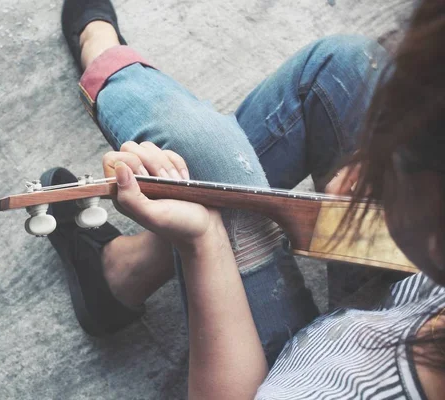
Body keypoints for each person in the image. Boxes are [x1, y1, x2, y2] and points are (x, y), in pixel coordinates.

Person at [42, 0, 445, 398]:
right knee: (341, 69)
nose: (363, 166)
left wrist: (204, 242)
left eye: (390, 162)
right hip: (406, 297)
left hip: (293, 372)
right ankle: (126, 270)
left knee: (201, 154)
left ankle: (101, 53)